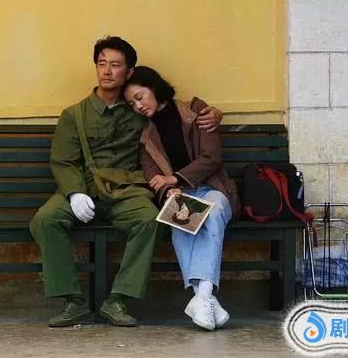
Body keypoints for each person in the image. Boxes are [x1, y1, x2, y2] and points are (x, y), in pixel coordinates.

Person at [29, 37, 223, 327]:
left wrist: (215, 115)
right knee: (45, 220)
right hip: (84, 188)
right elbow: (63, 161)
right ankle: (73, 301)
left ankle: (118, 300)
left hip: (128, 190)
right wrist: (74, 193)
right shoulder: (74, 115)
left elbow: (175, 115)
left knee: (149, 220)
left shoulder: (139, 109)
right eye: (101, 64)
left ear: (129, 72)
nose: (106, 71)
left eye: (115, 65)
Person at [123, 65, 240, 331]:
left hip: (213, 189)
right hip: (182, 194)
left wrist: (174, 179)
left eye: (140, 97)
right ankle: (205, 300)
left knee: (212, 211)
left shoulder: (197, 111)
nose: (138, 106)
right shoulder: (146, 135)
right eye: (132, 104)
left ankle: (202, 296)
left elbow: (211, 158)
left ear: (154, 88)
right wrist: (167, 191)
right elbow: (152, 175)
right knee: (180, 221)